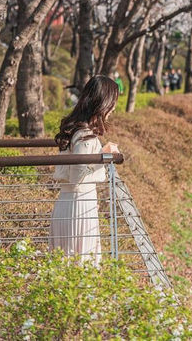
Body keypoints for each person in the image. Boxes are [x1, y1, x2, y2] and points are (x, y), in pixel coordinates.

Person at [49, 75, 120, 264]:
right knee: (81, 265)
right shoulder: (85, 136)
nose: (113, 108)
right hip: (78, 206)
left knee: (67, 265)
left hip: (70, 203)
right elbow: (78, 176)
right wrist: (103, 155)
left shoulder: (75, 132)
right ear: (103, 102)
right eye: (113, 103)